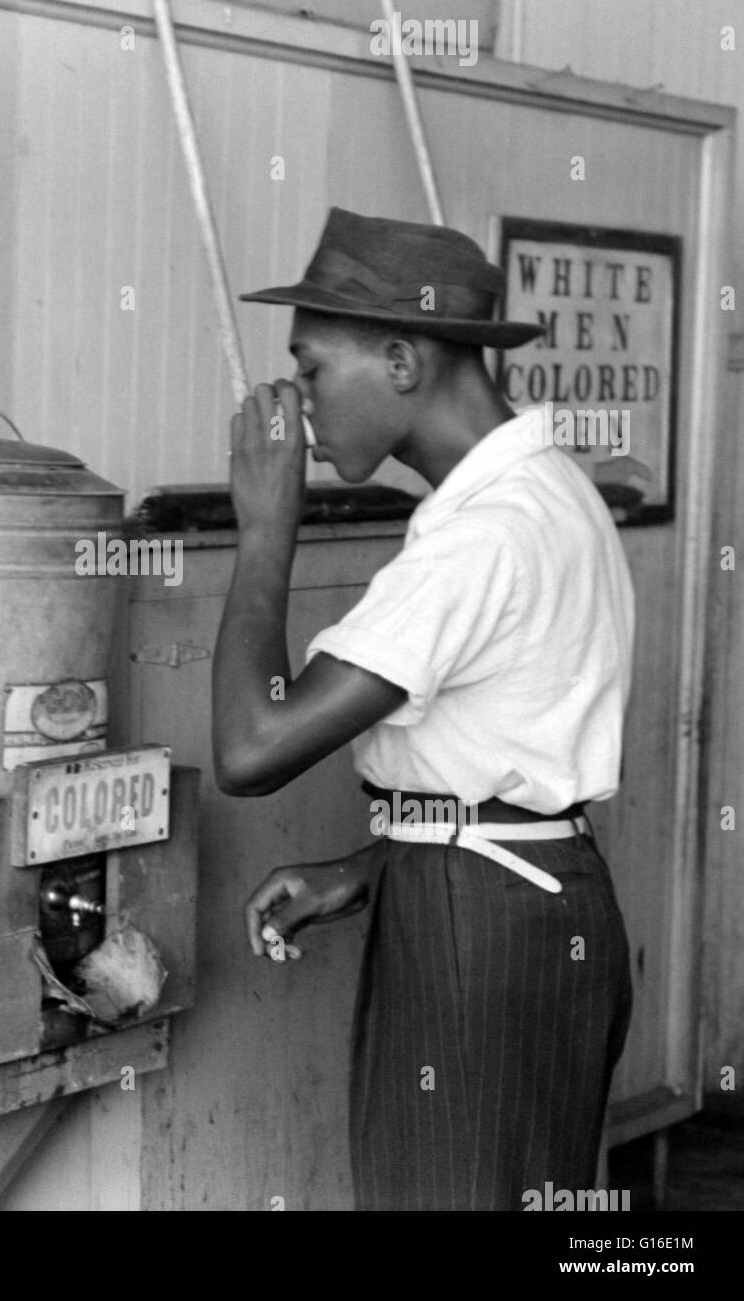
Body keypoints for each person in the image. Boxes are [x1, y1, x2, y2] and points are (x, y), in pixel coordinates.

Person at [212, 207, 634, 1211]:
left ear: (401, 360)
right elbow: (510, 764)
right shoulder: (543, 494)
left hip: (482, 932)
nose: (300, 403)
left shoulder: (483, 536)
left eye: (310, 369)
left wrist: (266, 528)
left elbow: (250, 745)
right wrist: (372, 871)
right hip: (514, 894)